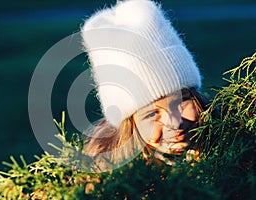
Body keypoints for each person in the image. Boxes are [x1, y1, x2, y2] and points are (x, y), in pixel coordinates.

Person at [80, 0, 208, 170]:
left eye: (181, 102)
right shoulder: (119, 182)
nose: (175, 123)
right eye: (151, 114)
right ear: (130, 128)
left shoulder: (232, 145)